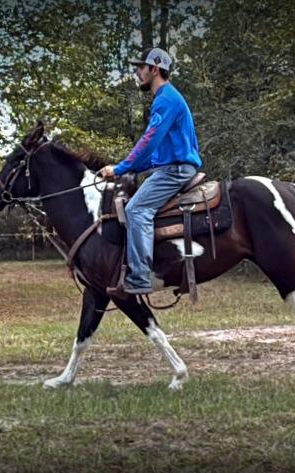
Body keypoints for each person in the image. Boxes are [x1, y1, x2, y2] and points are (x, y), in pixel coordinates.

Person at [99, 47, 202, 295]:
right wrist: (127, 169)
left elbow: (149, 140)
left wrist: (121, 167)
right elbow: (156, 154)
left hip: (176, 171)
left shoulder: (166, 100)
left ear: (155, 69)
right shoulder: (167, 98)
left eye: (140, 67)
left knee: (137, 209)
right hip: (170, 166)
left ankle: (140, 277)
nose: (137, 72)